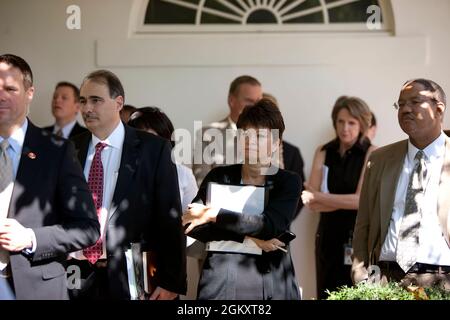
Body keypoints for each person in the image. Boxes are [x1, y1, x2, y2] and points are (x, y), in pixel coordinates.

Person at [68, 70, 186, 299]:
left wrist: (171, 281)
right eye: (83, 101)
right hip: (77, 276)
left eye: (96, 100)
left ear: (118, 102)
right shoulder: (69, 149)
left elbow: (169, 218)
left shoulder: (154, 149)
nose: (87, 108)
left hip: (132, 277)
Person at [0, 54, 100, 299]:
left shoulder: (57, 151)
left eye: (10, 89)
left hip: (32, 288)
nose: (1, 95)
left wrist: (30, 238)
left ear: (30, 93)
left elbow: (87, 229)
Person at [183, 98, 301, 300]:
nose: (250, 141)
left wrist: (212, 214)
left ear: (275, 143)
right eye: (245, 133)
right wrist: (251, 240)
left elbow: (270, 226)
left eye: (259, 135)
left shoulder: (287, 181)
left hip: (271, 281)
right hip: (221, 280)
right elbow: (192, 225)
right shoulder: (219, 176)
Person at [352, 79, 450, 290]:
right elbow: (364, 223)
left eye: (415, 102)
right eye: (400, 104)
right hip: (386, 278)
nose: (405, 109)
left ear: (439, 109)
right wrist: (360, 271)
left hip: (442, 280)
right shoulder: (379, 159)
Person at [301, 96, 375, 299]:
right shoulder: (323, 151)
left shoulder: (371, 153)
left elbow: (361, 201)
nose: (345, 128)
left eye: (352, 122)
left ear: (362, 124)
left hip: (356, 237)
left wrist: (320, 196)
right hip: (326, 236)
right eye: (341, 121)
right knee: (325, 291)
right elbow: (310, 201)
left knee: (355, 292)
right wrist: (343, 201)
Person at [127, 107, 199, 298]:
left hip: (163, 266)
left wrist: (172, 280)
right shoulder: (121, 173)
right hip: (125, 263)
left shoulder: (182, 174)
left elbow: (190, 226)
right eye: (140, 136)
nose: (147, 144)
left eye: (153, 138)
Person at [192, 75, 262, 186]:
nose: (255, 107)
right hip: (219, 201)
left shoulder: (269, 136)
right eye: (249, 101)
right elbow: (202, 182)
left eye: (258, 102)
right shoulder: (207, 134)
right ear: (231, 101)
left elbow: (277, 178)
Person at [263, 92, 306, 217]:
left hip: (278, 227)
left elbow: (299, 194)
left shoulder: (292, 153)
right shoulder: (242, 147)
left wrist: (283, 219)